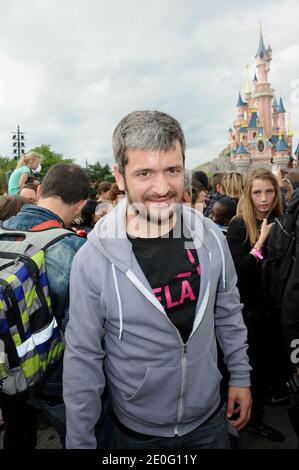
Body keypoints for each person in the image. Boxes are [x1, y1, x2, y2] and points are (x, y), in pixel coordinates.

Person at [64, 110, 252, 449]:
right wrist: (80, 441)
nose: (162, 187)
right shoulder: (91, 260)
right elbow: (83, 358)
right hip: (138, 433)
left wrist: (240, 375)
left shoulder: (211, 239)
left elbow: (227, 309)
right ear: (120, 177)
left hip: (210, 419)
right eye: (145, 173)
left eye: (172, 170)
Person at [0, 163, 90, 449]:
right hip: (53, 376)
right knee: (77, 437)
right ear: (81, 205)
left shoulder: (3, 229)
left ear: (39, 191)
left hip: (7, 364)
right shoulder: (74, 249)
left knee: (17, 432)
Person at [226, 168, 285, 442]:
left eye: (269, 192)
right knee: (251, 366)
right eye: (257, 192)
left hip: (274, 307)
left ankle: (263, 399)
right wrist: (260, 241)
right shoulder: (239, 224)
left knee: (268, 361)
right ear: (248, 194)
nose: (264, 198)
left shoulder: (280, 220)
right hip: (247, 310)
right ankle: (252, 419)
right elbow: (237, 272)